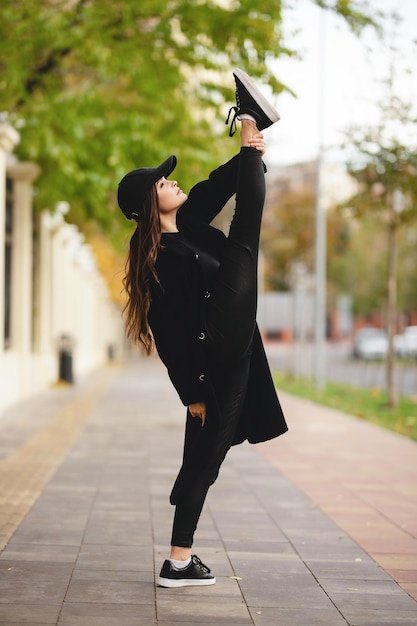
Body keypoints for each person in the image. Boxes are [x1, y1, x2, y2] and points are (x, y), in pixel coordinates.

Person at [117, 69, 288, 588]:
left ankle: (178, 560)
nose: (172, 182)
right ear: (149, 204)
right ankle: (250, 124)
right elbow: (167, 336)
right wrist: (191, 392)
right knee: (244, 239)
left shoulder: (187, 227)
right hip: (215, 344)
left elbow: (216, 186)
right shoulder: (159, 261)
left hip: (231, 342)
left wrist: (247, 153)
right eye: (162, 183)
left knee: (203, 460)